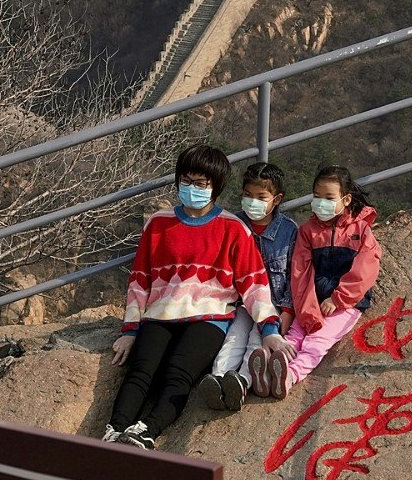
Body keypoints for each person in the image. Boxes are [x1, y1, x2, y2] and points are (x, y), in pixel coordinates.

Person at [102, 143, 284, 448]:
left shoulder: (233, 228)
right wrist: (130, 330)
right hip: (160, 313)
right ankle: (112, 432)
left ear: (216, 186)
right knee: (141, 372)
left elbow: (254, 284)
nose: (192, 188)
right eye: (186, 181)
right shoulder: (158, 224)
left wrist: (269, 329)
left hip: (209, 316)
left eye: (201, 183)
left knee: (178, 373)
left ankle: (146, 431)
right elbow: (140, 281)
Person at [269, 165, 380, 396]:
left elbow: (365, 270)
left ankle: (290, 376)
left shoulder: (360, 230)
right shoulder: (308, 231)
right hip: (313, 296)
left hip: (346, 303)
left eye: (328, 198)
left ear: (346, 199)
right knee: (295, 334)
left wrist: (338, 299)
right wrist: (306, 307)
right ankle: (273, 366)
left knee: (318, 340)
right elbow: (301, 272)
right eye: (317, 197)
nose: (321, 203)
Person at [208, 161, 298, 411]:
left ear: (277, 199)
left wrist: (288, 312)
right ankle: (217, 379)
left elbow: (294, 275)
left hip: (274, 305)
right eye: (248, 195)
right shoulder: (234, 224)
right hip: (242, 302)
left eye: (261, 197)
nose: (252, 202)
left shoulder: (289, 231)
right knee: (235, 337)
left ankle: (243, 380)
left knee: (257, 341)